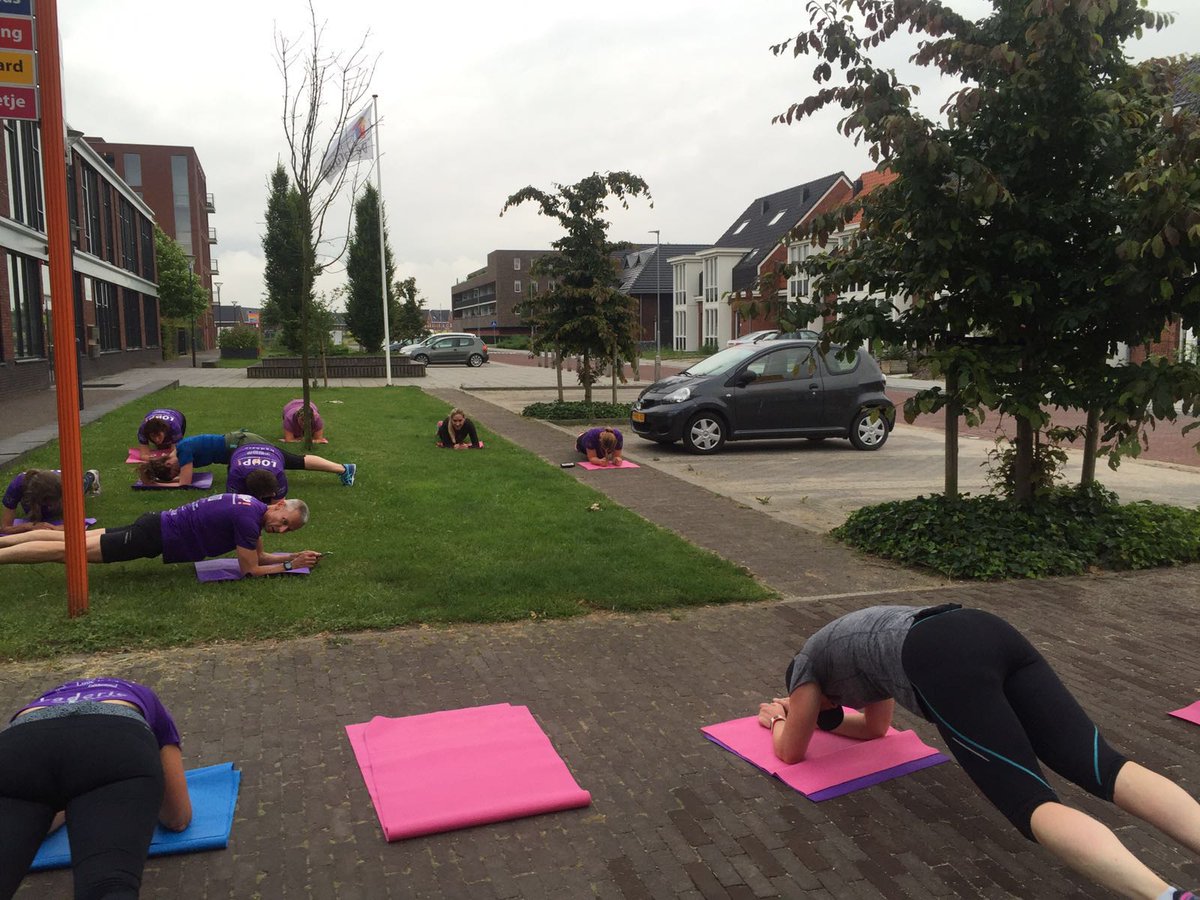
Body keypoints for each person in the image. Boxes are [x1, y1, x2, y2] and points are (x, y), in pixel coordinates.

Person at [757, 604, 1200, 900]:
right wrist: (821, 719)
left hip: (940, 655)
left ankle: (1168, 898)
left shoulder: (806, 667)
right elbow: (875, 729)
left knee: (1030, 802)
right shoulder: (850, 652)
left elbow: (791, 751)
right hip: (982, 628)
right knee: (1102, 765)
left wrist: (779, 718)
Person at [0, 676, 192, 898]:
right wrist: (85, 803)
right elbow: (176, 817)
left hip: (18, 743)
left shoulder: (40, 702)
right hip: (114, 742)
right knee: (108, 886)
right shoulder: (144, 695)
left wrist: (66, 803)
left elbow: (32, 817)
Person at [0, 492, 321, 577]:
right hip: (152, 537)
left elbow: (260, 556)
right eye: (284, 521)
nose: (280, 529)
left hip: (155, 523)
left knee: (70, 540)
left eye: (287, 530)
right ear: (280, 504)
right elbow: (250, 569)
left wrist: (293, 556)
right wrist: (289, 567)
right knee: (69, 552)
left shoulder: (250, 506)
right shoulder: (249, 520)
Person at [138, 431, 356, 489]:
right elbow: (183, 478)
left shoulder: (183, 452)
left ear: (168, 463)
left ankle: (343, 469)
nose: (178, 473)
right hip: (240, 444)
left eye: (174, 472)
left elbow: (185, 483)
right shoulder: (179, 450)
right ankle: (343, 469)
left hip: (243, 445)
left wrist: (157, 484)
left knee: (293, 461)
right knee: (293, 461)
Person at [225, 441, 351, 501]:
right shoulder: (235, 473)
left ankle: (343, 469)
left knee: (298, 462)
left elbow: (278, 505)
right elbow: (234, 502)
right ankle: (343, 468)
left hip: (270, 451)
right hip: (241, 451)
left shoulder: (278, 473)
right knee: (241, 499)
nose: (274, 494)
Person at [1, 468, 102, 535]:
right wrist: (28, 526)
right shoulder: (17, 486)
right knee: (37, 514)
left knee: (81, 485)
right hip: (36, 495)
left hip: (68, 483)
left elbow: (76, 525)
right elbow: (5, 527)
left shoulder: (70, 486)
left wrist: (53, 529)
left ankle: (90, 476)